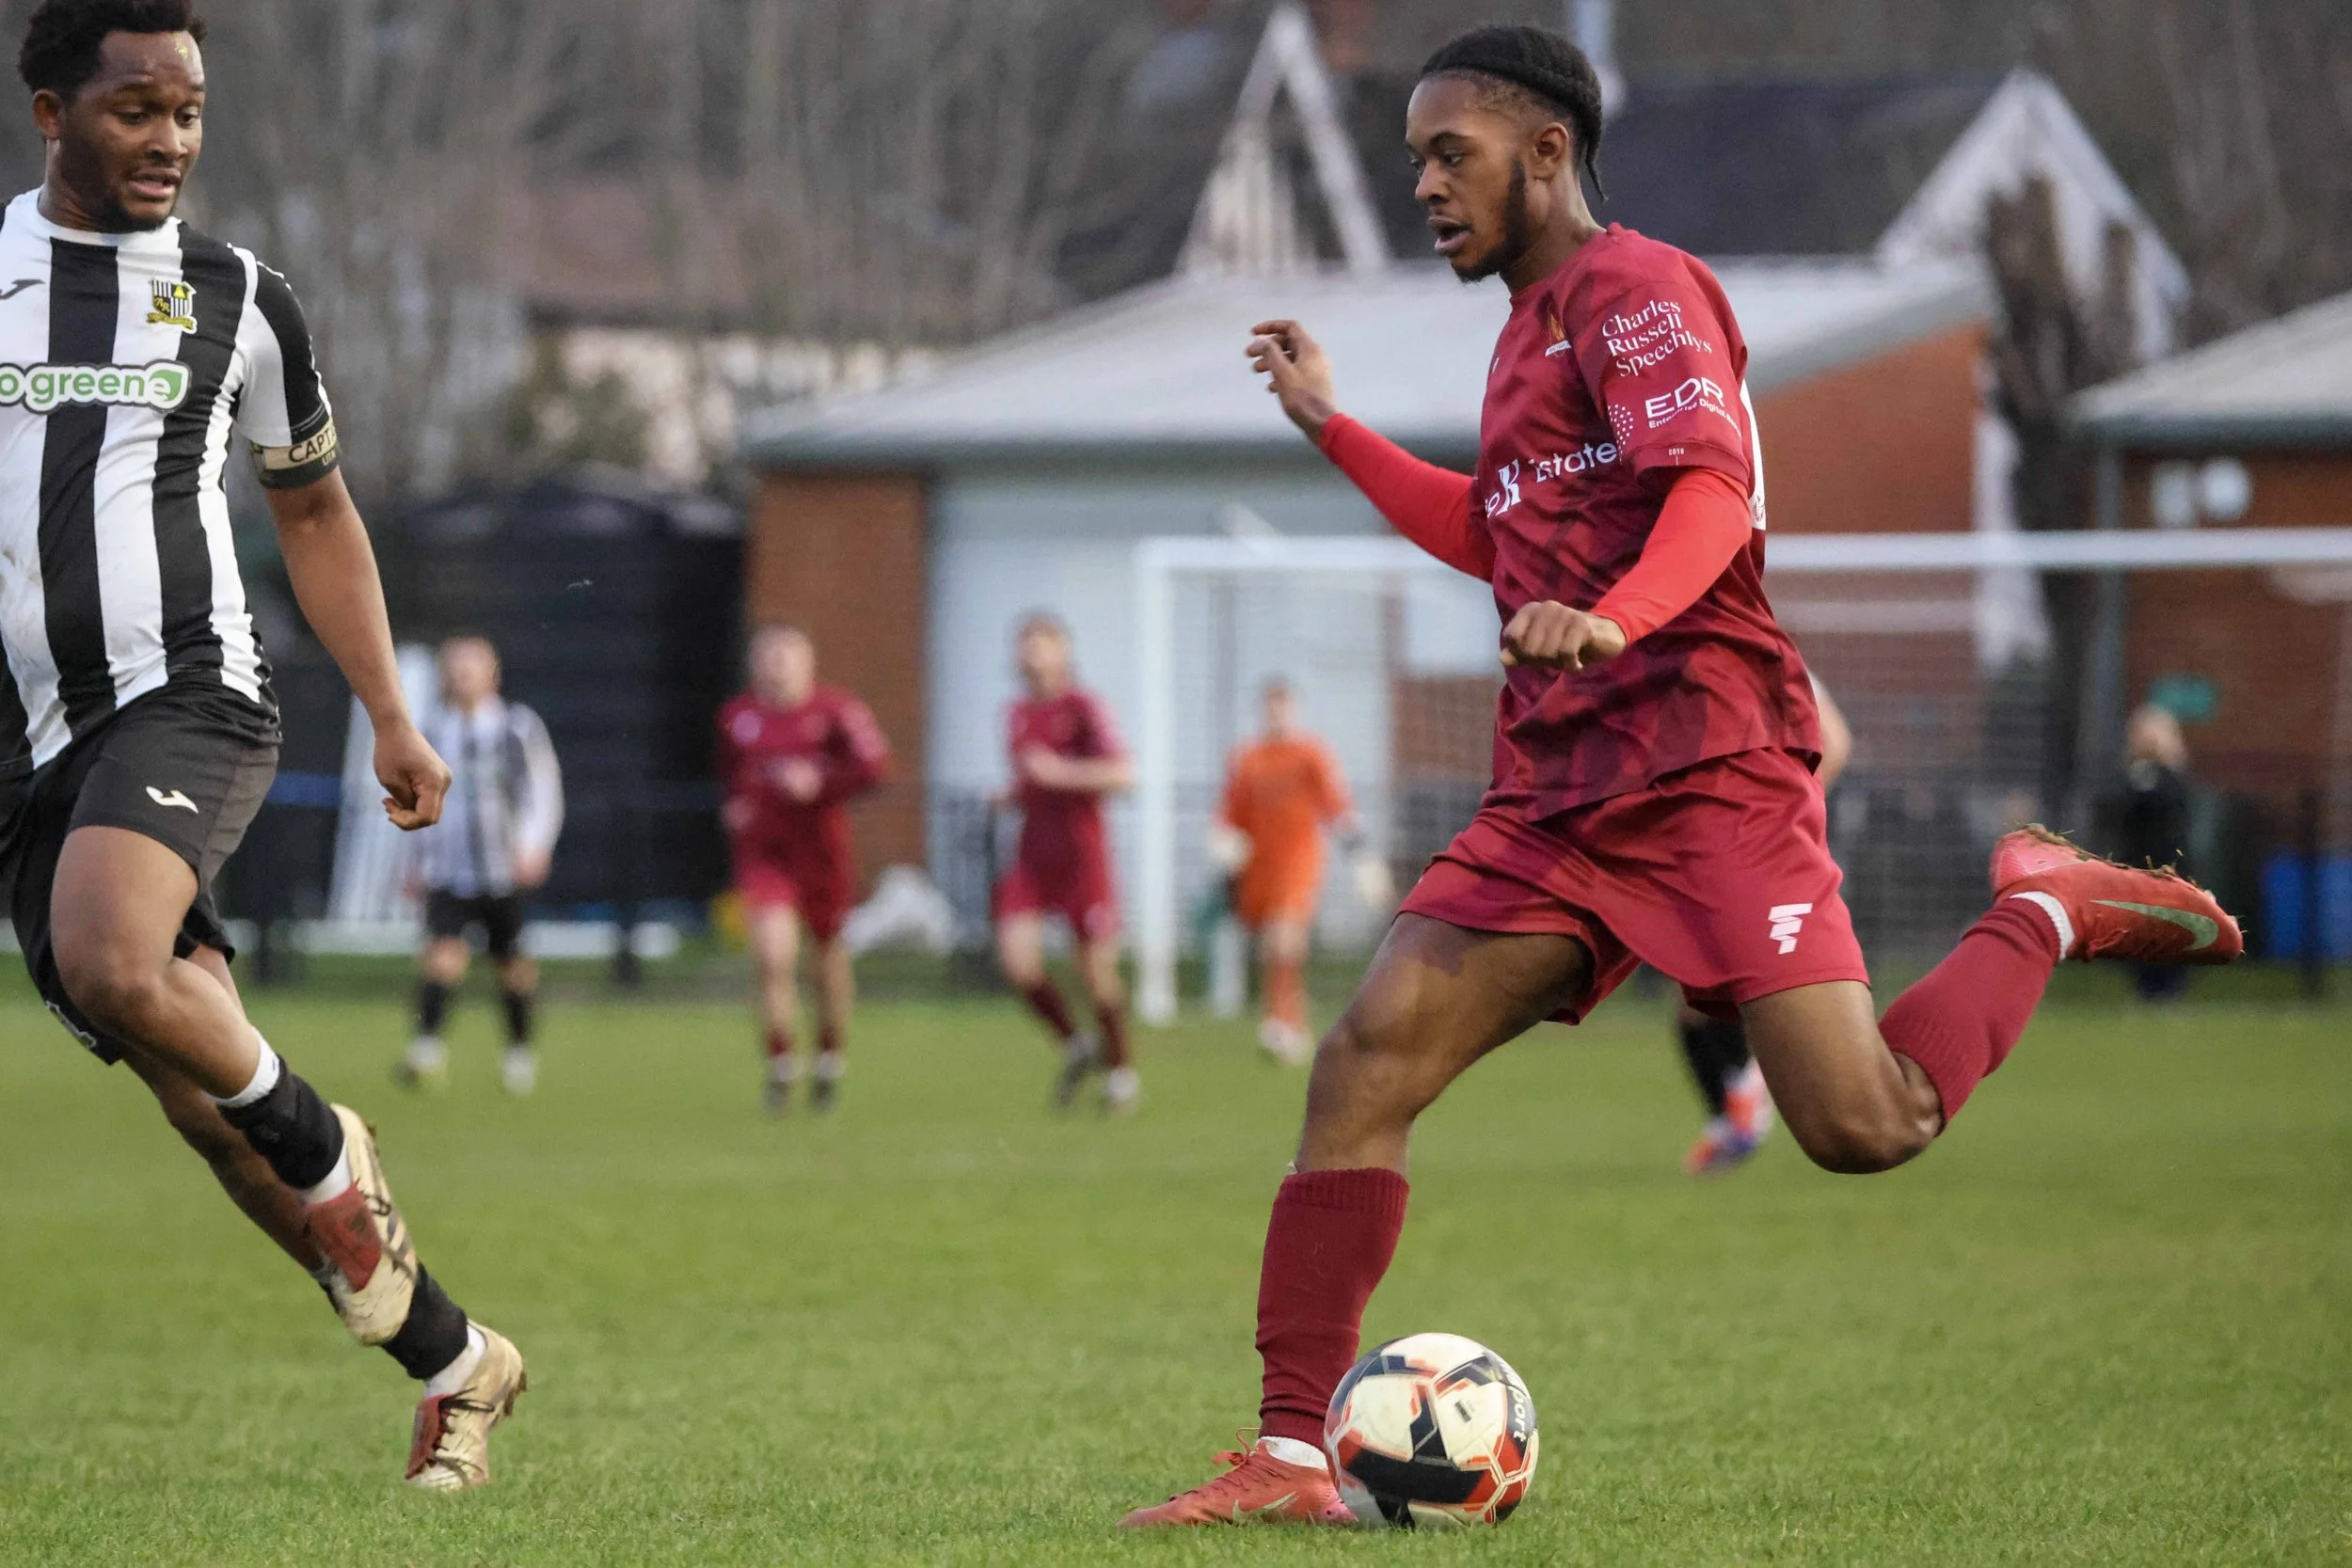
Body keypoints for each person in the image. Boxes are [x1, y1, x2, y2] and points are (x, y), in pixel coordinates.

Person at [1122, 24, 2240, 1527]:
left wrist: (1618, 616)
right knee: (1365, 1059)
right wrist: (1333, 428)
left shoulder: (1639, 291)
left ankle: (2043, 906)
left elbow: (1711, 494)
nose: (1426, 186)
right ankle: (1290, 1452)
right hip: (1556, 798)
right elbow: (1489, 531)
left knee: (1867, 1122)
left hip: (1712, 771)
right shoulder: (1524, 338)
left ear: (1548, 150)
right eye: (1413, 161)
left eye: (1449, 154)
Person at [0, 0, 524, 1489]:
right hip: (22, 742)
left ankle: (329, 1136)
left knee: (114, 959)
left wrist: (392, 707)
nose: (170, 140)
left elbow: (313, 512)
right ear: (52, 113)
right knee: (202, 1107)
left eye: (190, 111)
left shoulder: (240, 298)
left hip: (189, 691)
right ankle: (461, 1360)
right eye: (135, 110)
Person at [1677, 676, 1851, 1174]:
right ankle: (1734, 1113)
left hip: (1767, 857)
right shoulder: (1694, 664)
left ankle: (1752, 1095)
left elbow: (1836, 743)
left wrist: (1780, 811)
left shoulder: (1769, 658)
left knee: (1750, 987)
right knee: (1694, 996)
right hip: (1716, 850)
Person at [717, 625, 890, 1113]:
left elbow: (874, 766)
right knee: (773, 956)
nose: (777, 664)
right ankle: (780, 1065)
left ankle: (830, 1056)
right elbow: (731, 775)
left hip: (822, 852)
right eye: (767, 655)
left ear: (808, 662)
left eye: (787, 654)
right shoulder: (738, 717)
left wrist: (822, 780)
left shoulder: (836, 711)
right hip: (766, 854)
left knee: (827, 959)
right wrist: (736, 806)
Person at [398, 635, 564, 1097]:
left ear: (493, 672)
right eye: (455, 665)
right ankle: (426, 1050)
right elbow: (416, 799)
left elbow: (543, 789)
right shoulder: (431, 730)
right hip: (450, 869)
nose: (463, 674)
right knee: (440, 958)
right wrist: (414, 859)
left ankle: (518, 1053)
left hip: (503, 869)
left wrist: (535, 846)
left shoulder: (516, 727)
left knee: (511, 963)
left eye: (472, 665)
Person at [994, 613, 1139, 1113]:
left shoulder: (1084, 707)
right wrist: (1013, 795)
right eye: (1024, 645)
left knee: (1096, 973)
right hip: (1033, 856)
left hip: (1083, 860)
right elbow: (1033, 780)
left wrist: (1061, 774)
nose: (1031, 654)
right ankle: (1076, 1044)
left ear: (1063, 652)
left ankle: (1120, 1071)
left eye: (1042, 644)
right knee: (1017, 962)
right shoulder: (1014, 713)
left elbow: (1124, 773)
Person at [1211, 678, 1382, 1065]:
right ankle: (1293, 1023)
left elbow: (1338, 806)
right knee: (1275, 947)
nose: (1276, 714)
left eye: (1282, 706)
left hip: (1300, 860)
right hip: (1259, 865)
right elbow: (1229, 814)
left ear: (1294, 710)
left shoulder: (1311, 754)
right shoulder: (1248, 759)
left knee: (1283, 938)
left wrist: (1361, 858)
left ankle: (1279, 1024)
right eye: (1270, 707)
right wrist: (1223, 847)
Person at [2106, 703, 2197, 1004]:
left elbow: (2172, 808)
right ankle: (2146, 988)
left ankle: (2171, 988)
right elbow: (2118, 811)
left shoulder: (2174, 777)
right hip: (2136, 866)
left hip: (2169, 866)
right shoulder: (2128, 776)